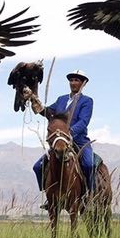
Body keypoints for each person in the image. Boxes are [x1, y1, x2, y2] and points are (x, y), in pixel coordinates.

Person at [25, 70, 94, 208]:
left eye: (77, 80)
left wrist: (68, 133)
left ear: (83, 83)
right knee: (38, 167)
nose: (74, 83)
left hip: (79, 141)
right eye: (72, 80)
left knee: (89, 164)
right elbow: (48, 113)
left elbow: (83, 121)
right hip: (59, 141)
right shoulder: (61, 99)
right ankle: (49, 197)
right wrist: (33, 99)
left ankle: (88, 196)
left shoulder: (86, 101)